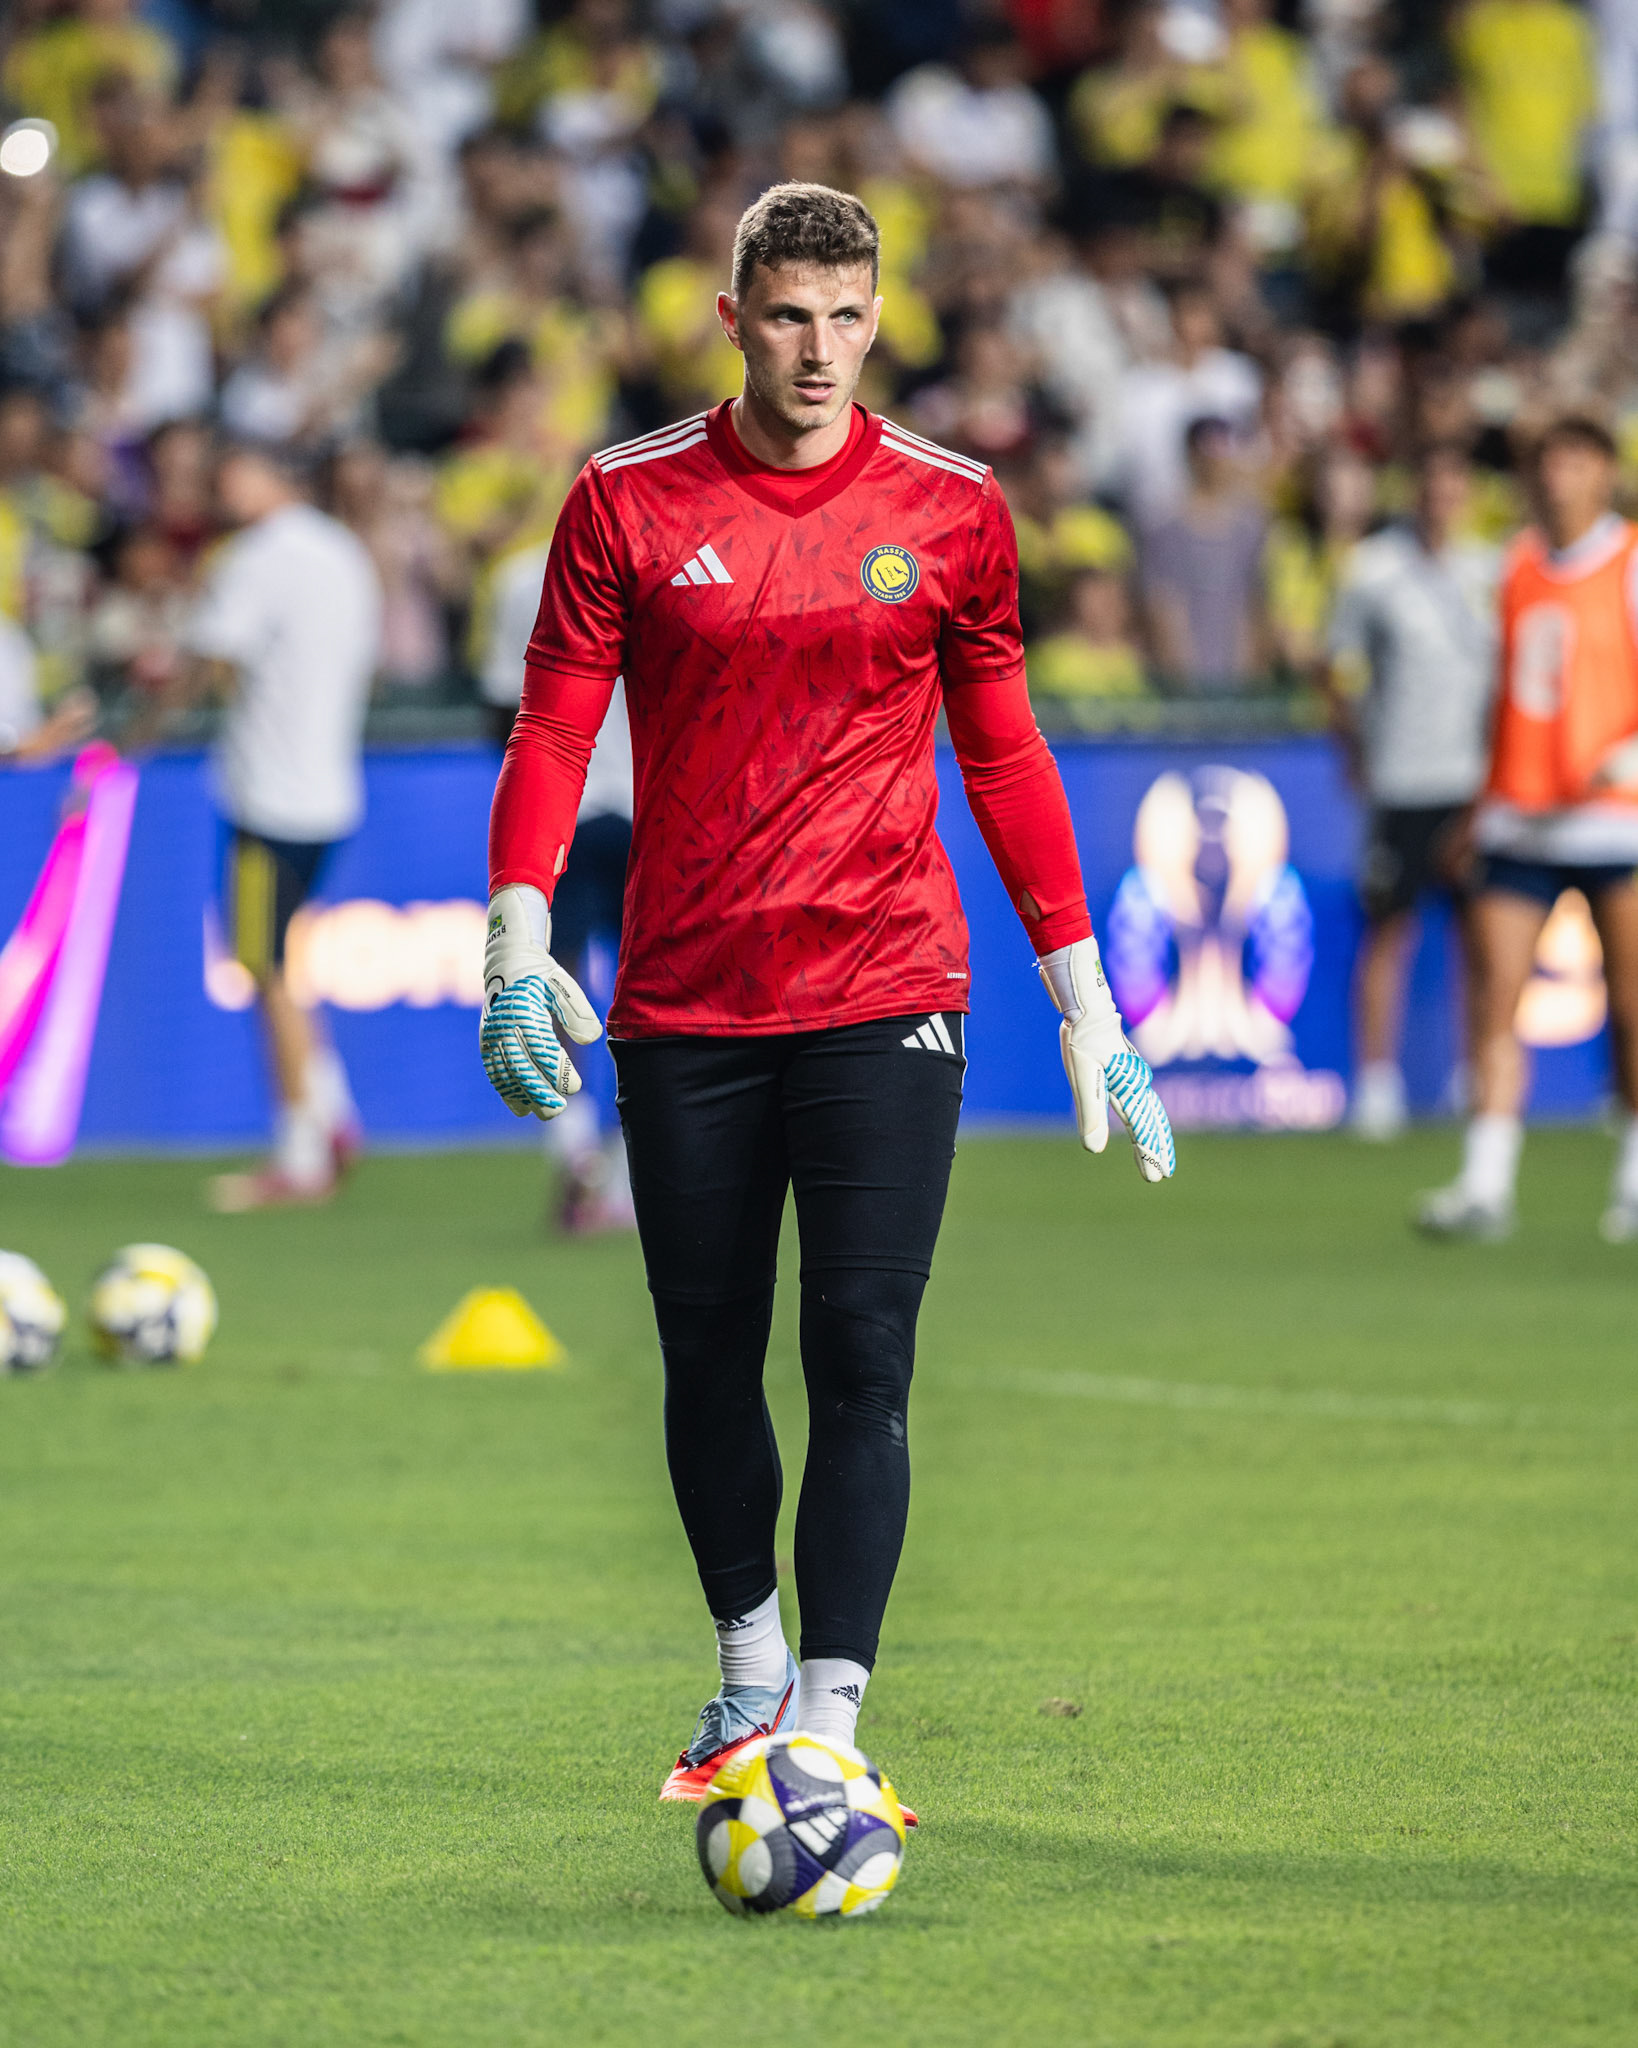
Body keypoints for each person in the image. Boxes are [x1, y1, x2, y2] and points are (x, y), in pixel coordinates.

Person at [479, 181, 1176, 1813]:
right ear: (732, 317)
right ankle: (743, 1670)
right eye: (786, 316)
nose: (817, 350)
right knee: (706, 1356)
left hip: (884, 986)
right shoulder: (625, 499)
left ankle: (828, 1721)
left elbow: (1001, 750)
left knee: (861, 1350)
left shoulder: (950, 507)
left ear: (880, 318)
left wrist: (1086, 995)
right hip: (687, 999)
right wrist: (514, 935)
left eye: (846, 318)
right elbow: (551, 730)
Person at [1419, 416, 1638, 1240]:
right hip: (1520, 813)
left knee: (1632, 1010)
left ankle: (1633, 1178)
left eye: (1575, 460)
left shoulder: (1628, 562)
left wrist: (1622, 759)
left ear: (1604, 473)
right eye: (1547, 460)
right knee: (1494, 1004)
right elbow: (1502, 697)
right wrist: (1480, 803)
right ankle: (1486, 1183)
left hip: (1614, 823)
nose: (1557, 476)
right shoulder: (1516, 568)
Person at [166, 442, 382, 1211]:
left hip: (268, 796)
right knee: (281, 960)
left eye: (236, 467)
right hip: (331, 791)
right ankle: (333, 1112)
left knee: (262, 966)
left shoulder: (252, 557)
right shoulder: (345, 553)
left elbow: (208, 658)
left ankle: (301, 1150)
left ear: (273, 477)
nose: (226, 480)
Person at [1322, 443, 1501, 1140]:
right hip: (1400, 778)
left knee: (1479, 936)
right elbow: (1335, 665)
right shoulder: (1374, 570)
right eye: (1432, 483)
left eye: (1454, 483)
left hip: (1472, 782)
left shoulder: (1491, 569)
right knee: (1388, 931)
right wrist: (1356, 749)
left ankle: (1475, 1073)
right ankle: (1376, 1083)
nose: (1442, 496)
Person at [480, 537, 634, 1233]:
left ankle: (573, 1149)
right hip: (654, 809)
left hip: (562, 810)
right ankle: (631, 1175)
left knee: (547, 979)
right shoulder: (677, 551)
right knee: (655, 999)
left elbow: (498, 707)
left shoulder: (522, 575)